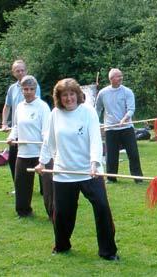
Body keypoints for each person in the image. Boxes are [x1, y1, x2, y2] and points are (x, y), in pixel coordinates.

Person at [34, 78, 118, 260]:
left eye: (72, 94)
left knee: (102, 208)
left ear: (78, 95)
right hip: (64, 173)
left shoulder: (88, 112)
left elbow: (96, 139)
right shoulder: (55, 114)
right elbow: (49, 141)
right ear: (59, 97)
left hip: (90, 171)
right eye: (65, 95)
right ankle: (62, 245)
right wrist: (42, 162)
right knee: (63, 212)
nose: (69, 98)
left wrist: (95, 163)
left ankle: (108, 252)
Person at [6, 75, 53, 218]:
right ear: (21, 90)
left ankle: (53, 214)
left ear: (35, 89)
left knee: (49, 188)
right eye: (25, 89)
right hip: (23, 153)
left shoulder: (43, 107)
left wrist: (44, 156)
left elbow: (47, 132)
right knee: (21, 185)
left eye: (31, 89)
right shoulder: (19, 107)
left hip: (41, 153)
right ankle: (24, 211)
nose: (28, 92)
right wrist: (11, 136)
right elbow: (15, 126)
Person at [95, 68, 144, 184]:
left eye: (121, 76)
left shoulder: (127, 92)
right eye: (118, 76)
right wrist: (96, 123)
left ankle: (138, 178)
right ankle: (111, 178)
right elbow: (97, 109)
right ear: (111, 79)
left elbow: (131, 109)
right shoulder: (103, 93)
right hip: (110, 128)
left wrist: (125, 118)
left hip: (126, 127)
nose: (121, 78)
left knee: (133, 153)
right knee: (111, 155)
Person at [1, 60, 41, 185]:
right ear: (13, 73)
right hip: (16, 130)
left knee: (39, 158)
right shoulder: (12, 88)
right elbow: (7, 106)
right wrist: (4, 123)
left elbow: (36, 105)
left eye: (22, 70)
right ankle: (18, 185)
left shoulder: (35, 85)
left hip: (33, 131)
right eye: (17, 71)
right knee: (14, 159)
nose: (20, 72)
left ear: (26, 70)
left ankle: (44, 188)